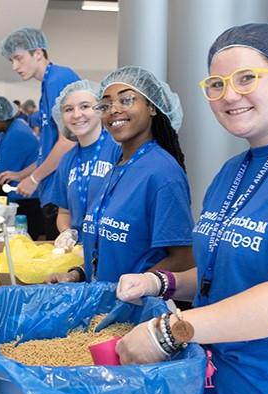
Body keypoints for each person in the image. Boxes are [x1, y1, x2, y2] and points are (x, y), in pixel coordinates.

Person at [114, 23, 268, 394]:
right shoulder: (231, 171)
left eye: (247, 78)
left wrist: (171, 329)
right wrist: (161, 283)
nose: (230, 95)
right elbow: (225, 270)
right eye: (216, 84)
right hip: (209, 376)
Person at [49, 66, 194, 284]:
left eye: (126, 100)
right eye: (106, 104)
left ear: (152, 107)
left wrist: (132, 290)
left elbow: (183, 258)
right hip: (105, 304)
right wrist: (77, 274)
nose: (114, 109)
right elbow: (116, 251)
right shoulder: (118, 167)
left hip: (135, 310)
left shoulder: (162, 173)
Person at [0, 27, 80, 240]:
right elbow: (49, 149)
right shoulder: (47, 84)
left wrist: (33, 179)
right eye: (11, 61)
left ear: (38, 53)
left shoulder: (58, 79)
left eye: (18, 58)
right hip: (52, 187)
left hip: (62, 190)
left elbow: (69, 141)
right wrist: (21, 175)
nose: (15, 67)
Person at [49, 80, 121, 253]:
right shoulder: (67, 160)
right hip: (79, 255)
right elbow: (64, 212)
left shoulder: (119, 150)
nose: (76, 115)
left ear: (101, 110)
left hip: (114, 252)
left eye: (85, 106)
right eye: (68, 109)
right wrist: (67, 232)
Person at [0, 94, 43, 239]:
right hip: (21, 194)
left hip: (29, 197)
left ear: (1, 118)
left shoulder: (16, 134)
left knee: (27, 241)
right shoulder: (8, 130)